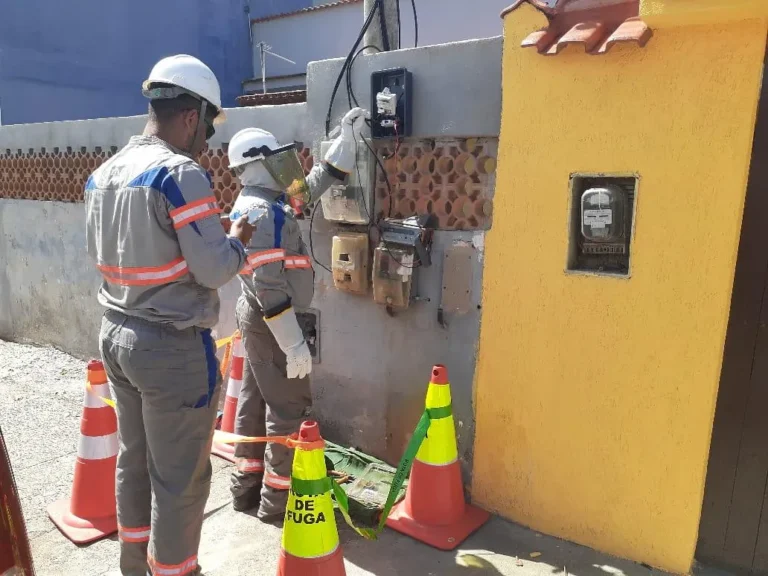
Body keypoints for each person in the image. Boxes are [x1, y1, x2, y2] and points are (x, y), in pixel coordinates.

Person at [84, 54, 254, 576]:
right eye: (207, 126)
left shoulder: (104, 175)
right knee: (180, 478)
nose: (207, 139)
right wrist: (238, 242)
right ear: (190, 115)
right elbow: (213, 269)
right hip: (170, 348)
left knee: (134, 462)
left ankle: (135, 567)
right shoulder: (179, 172)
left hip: (116, 336)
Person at [226, 107, 368, 519]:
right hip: (272, 320)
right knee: (289, 410)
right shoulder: (259, 212)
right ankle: (281, 503)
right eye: (275, 159)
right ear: (256, 165)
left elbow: (313, 185)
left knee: (254, 404)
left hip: (261, 319)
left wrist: (345, 138)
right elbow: (269, 288)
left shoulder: (268, 203)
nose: (284, 166)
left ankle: (247, 490)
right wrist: (293, 345)